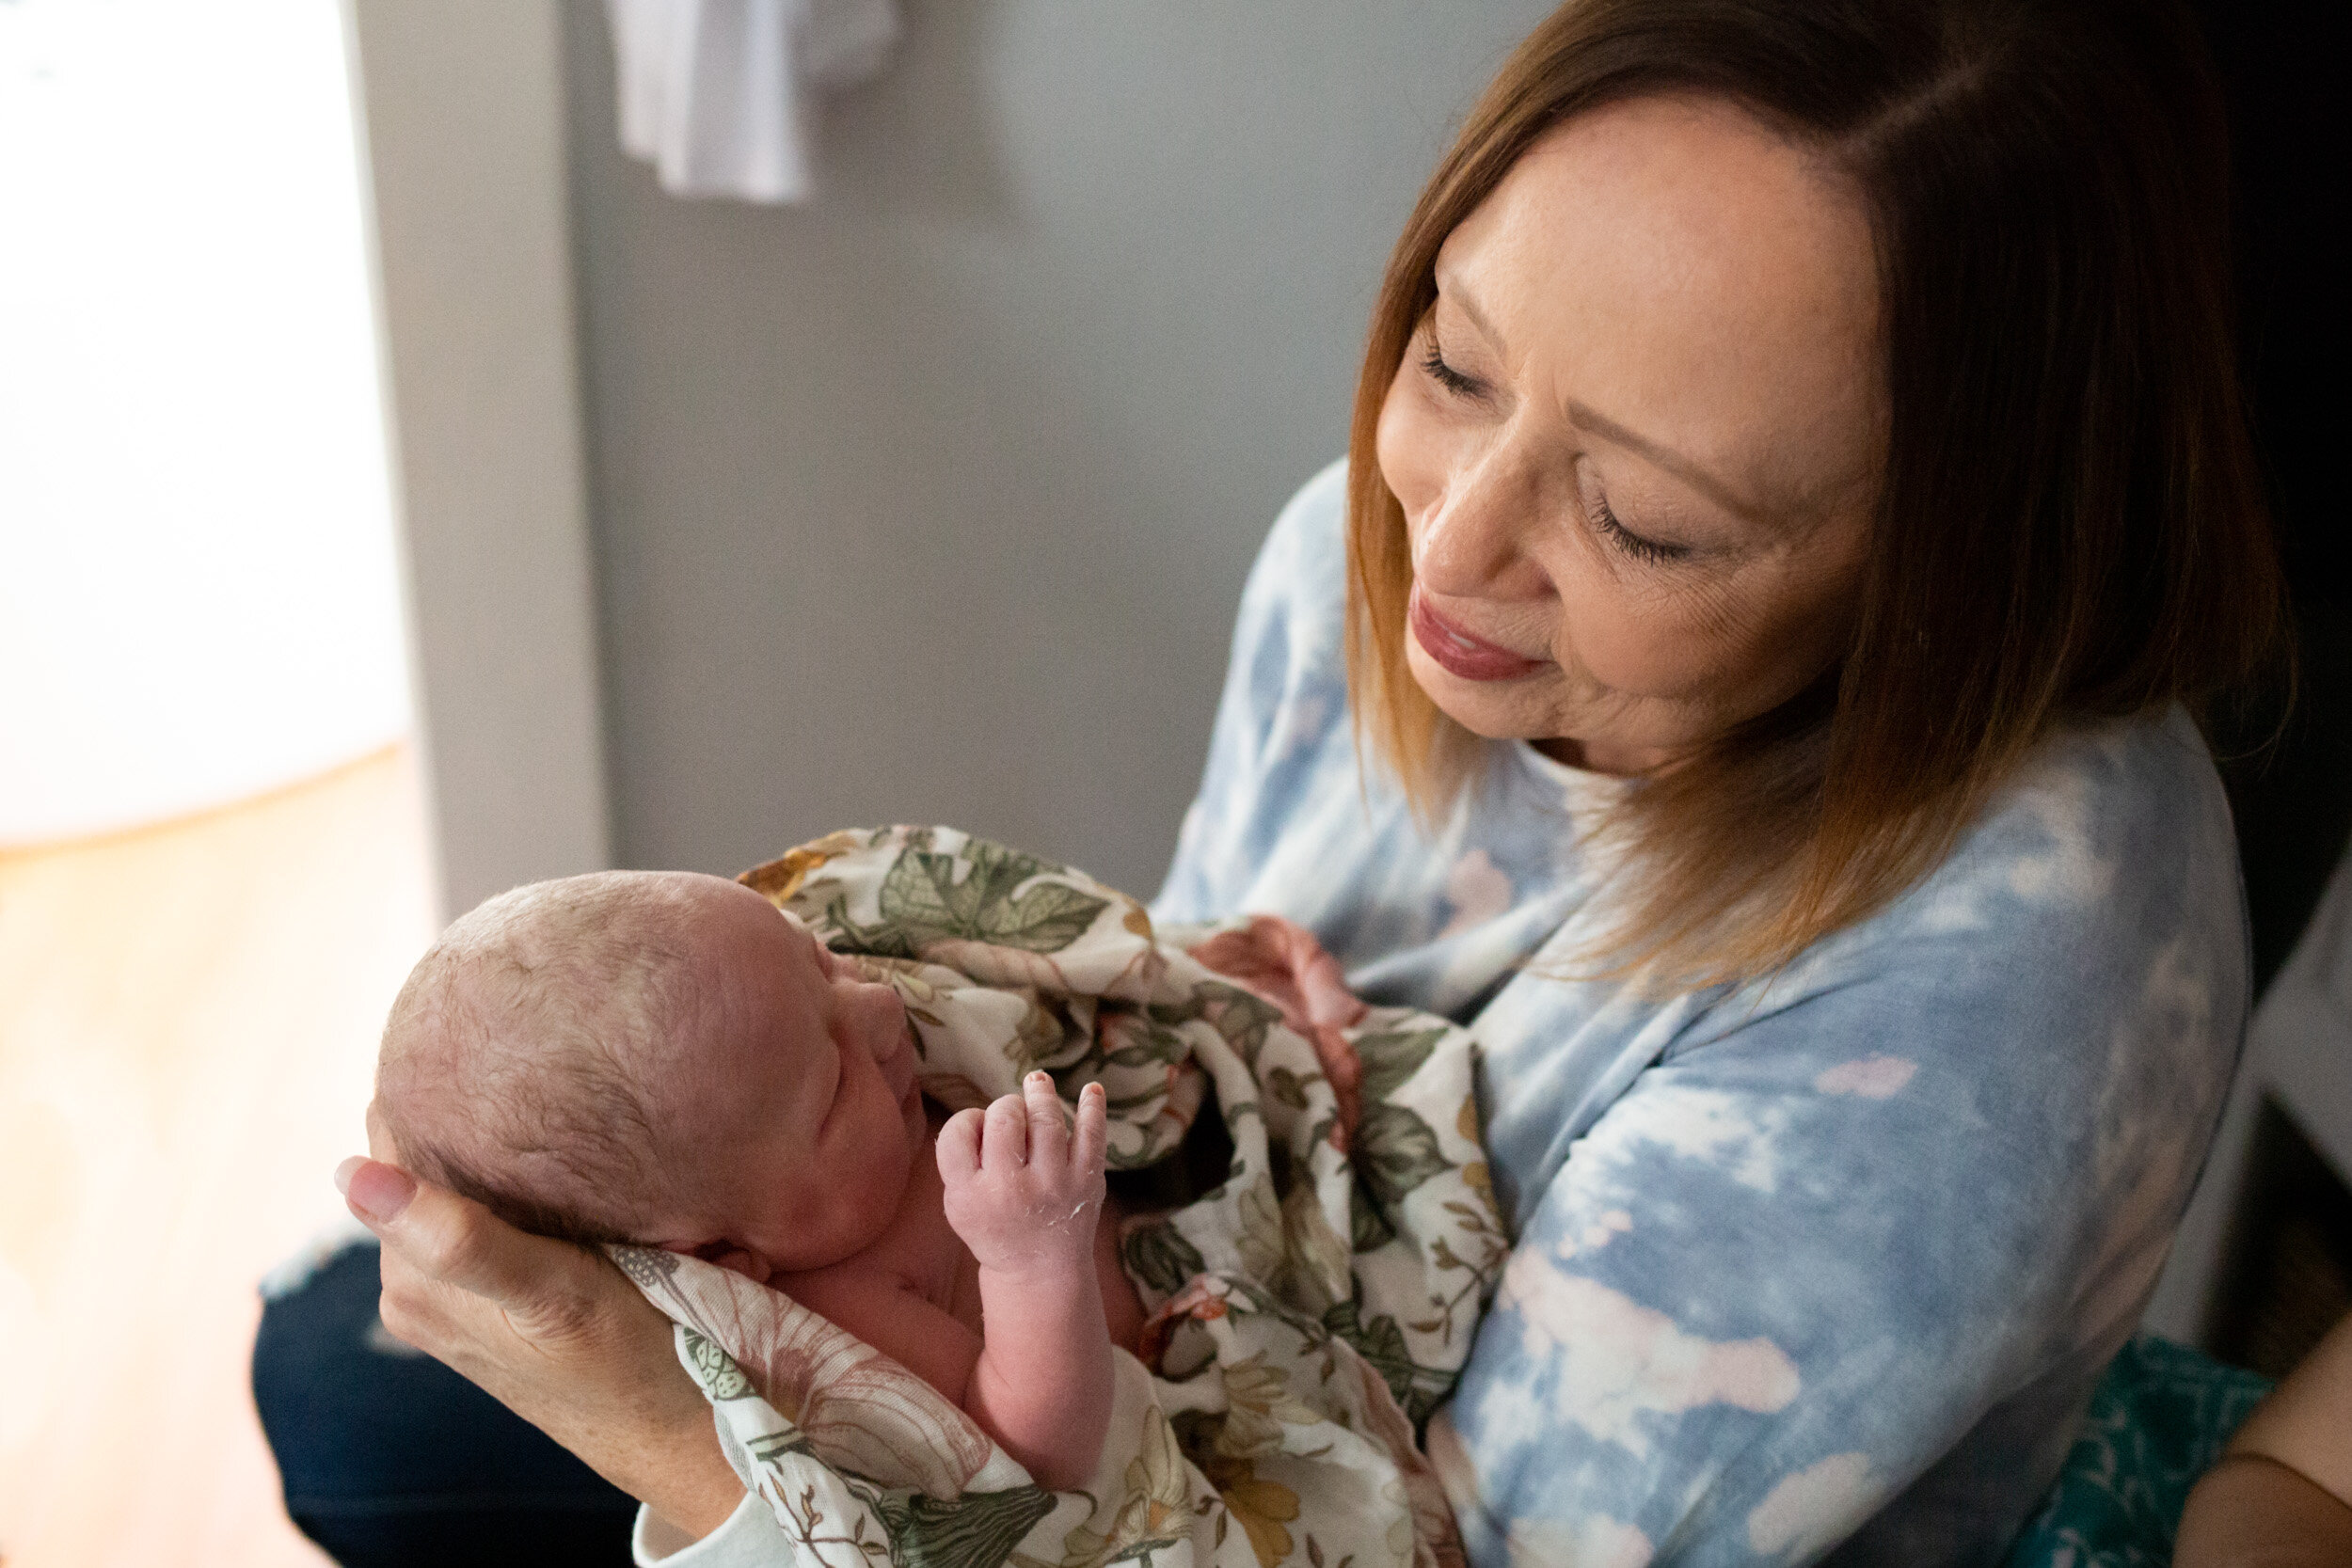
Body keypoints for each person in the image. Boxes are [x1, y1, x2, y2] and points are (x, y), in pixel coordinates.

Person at [272, 0, 2286, 1560]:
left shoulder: (2003, 975)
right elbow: (1176, 1016)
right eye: (1453, 358)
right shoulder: (1372, 555)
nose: (1450, 538)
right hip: (1182, 1302)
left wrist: (675, 1427)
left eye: (1645, 523)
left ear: (1951, 565)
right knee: (343, 1367)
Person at [370, 870, 1138, 1493]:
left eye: (821, 961)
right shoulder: (842, 1305)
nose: (879, 1005)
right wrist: (1033, 1263)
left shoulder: (809, 1076)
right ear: (724, 1251)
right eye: (836, 1084)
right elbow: (1037, 1466)